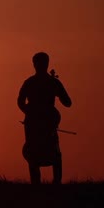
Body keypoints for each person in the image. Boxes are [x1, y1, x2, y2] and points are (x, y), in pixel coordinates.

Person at [17, 52, 72, 184]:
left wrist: (30, 112)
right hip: (45, 122)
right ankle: (56, 183)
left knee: (34, 152)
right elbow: (68, 102)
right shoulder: (52, 82)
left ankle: (37, 184)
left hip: (34, 123)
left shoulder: (30, 82)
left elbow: (20, 102)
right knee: (54, 152)